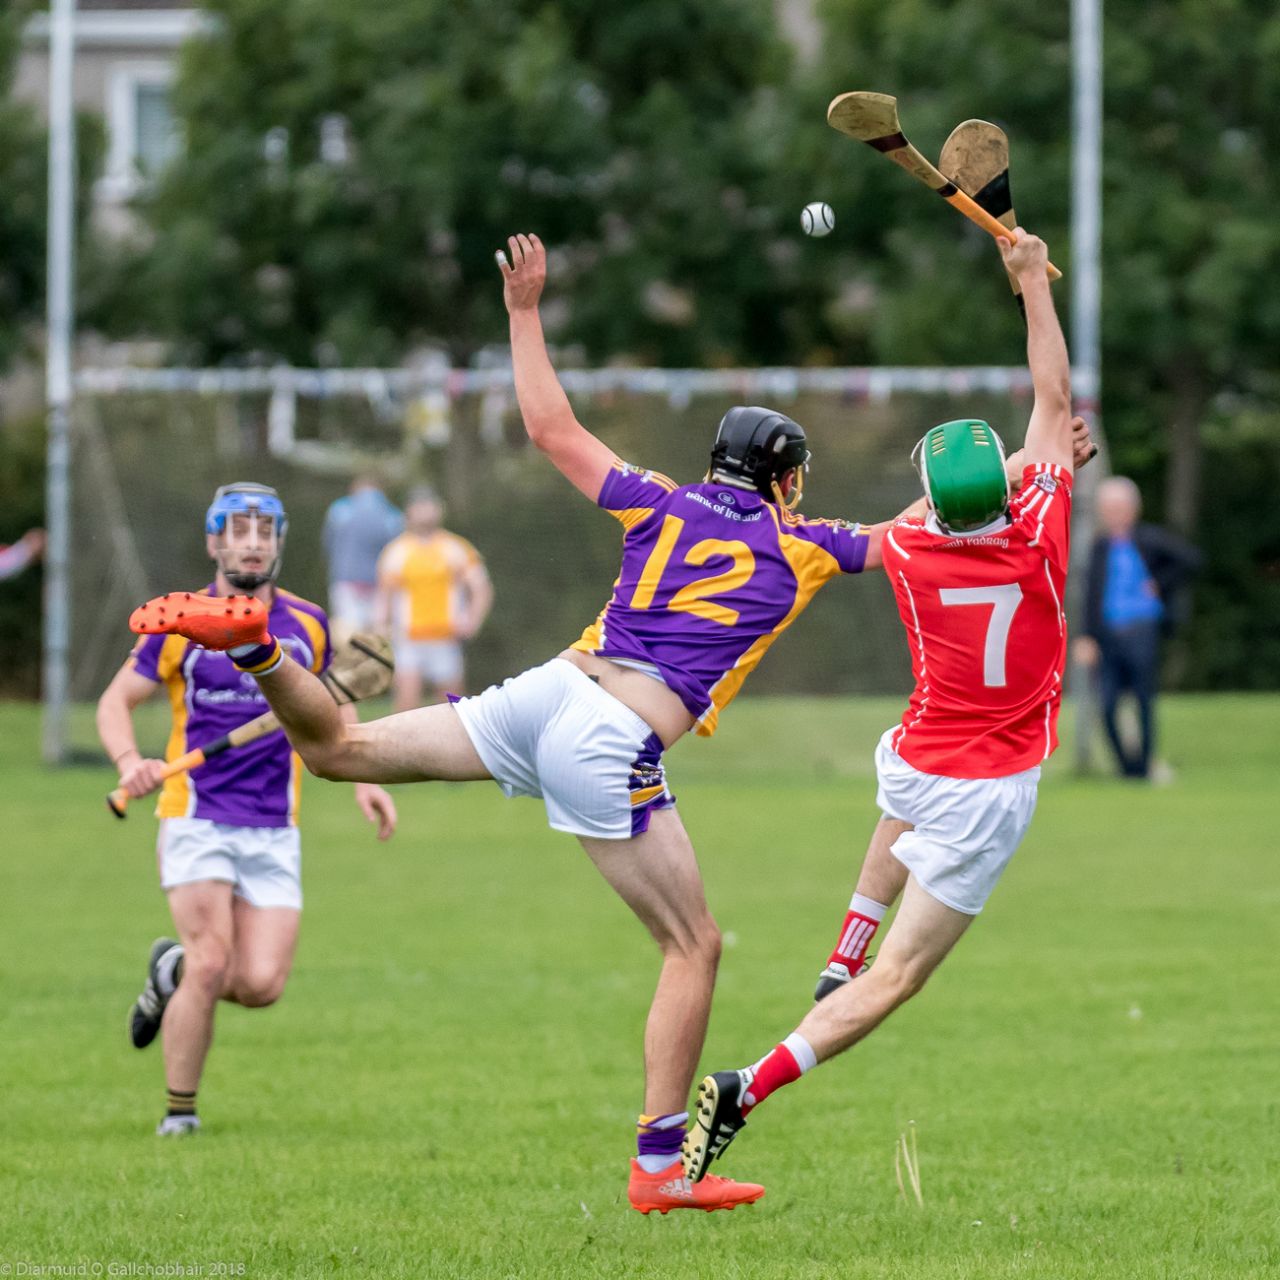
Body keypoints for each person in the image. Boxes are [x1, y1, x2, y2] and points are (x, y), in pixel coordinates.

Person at [126, 232, 934, 1212]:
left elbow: (550, 429)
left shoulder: (658, 502)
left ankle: (255, 648)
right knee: (695, 945)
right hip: (609, 738)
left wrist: (522, 310)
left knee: (339, 748)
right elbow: (922, 531)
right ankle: (655, 1165)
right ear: (782, 477)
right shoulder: (806, 541)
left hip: (545, 690)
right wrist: (1024, 471)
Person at [681, 229, 1086, 1186]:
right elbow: (1054, 400)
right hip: (989, 786)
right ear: (1011, 485)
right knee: (903, 979)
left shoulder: (906, 548)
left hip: (920, 749)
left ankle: (840, 951)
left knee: (897, 801)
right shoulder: (1041, 529)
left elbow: (855, 527)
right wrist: (1030, 280)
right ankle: (750, 1083)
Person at [96, 483, 398, 1136]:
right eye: (238, 531)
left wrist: (362, 776)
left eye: (265, 533)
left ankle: (167, 969)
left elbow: (330, 701)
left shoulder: (307, 623)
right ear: (215, 541)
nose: (252, 544)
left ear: (279, 543)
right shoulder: (182, 619)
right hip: (195, 813)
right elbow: (115, 703)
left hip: (273, 821)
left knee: (261, 984)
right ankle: (181, 1115)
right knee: (211, 960)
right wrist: (129, 763)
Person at [1073, 477, 1200, 780]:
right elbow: (1090, 594)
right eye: (1108, 507)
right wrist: (1086, 636)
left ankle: (1144, 766)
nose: (1113, 513)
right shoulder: (1099, 547)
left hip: (1142, 629)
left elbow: (1190, 561)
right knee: (1107, 702)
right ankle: (1126, 767)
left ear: (1132, 509)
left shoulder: (1149, 539)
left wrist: (1159, 585)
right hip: (1107, 634)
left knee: (1143, 699)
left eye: (1119, 507)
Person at [375, 488, 494, 708]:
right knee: (405, 708)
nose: (425, 511)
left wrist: (472, 619)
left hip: (445, 638)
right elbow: (384, 595)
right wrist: (381, 628)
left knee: (452, 708)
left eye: (430, 505)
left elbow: (481, 588)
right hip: (409, 639)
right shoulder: (396, 551)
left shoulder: (456, 548)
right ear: (409, 512)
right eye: (419, 506)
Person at [321, 475, 404, 646]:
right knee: (379, 641)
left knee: (348, 639)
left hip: (346, 581)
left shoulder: (339, 510)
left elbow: (328, 544)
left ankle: (349, 672)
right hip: (381, 586)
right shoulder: (393, 515)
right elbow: (398, 555)